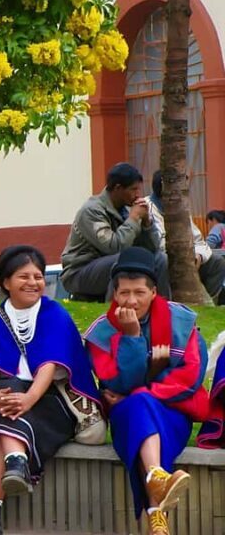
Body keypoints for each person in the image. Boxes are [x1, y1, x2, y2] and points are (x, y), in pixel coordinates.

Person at [0, 245, 101, 535]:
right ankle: (14, 465)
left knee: (5, 421)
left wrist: (29, 398)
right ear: (6, 282)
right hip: (2, 401)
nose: (34, 282)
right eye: (24, 276)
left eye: (38, 276)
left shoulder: (54, 313)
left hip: (49, 400)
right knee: (5, 406)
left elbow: (49, 364)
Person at [85, 246, 208, 535]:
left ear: (154, 292)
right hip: (126, 415)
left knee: (139, 401)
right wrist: (132, 338)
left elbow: (190, 376)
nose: (131, 300)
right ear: (114, 294)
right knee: (137, 406)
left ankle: (155, 496)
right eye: (124, 292)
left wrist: (142, 392)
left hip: (173, 413)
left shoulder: (182, 321)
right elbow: (116, 383)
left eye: (139, 292)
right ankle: (157, 486)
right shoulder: (101, 332)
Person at [61, 162, 169, 301]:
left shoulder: (130, 207)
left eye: (138, 190)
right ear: (118, 188)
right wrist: (134, 218)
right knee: (123, 259)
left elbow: (153, 248)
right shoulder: (91, 210)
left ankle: (163, 307)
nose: (137, 195)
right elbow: (113, 247)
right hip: (80, 272)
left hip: (112, 262)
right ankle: (115, 311)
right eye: (133, 189)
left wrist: (147, 223)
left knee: (160, 258)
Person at [146, 170, 225, 303]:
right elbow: (158, 245)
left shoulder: (180, 209)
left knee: (217, 262)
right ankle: (168, 305)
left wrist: (198, 255)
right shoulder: (146, 207)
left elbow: (200, 241)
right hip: (159, 259)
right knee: (166, 260)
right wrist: (185, 256)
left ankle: (207, 306)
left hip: (188, 257)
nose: (185, 192)